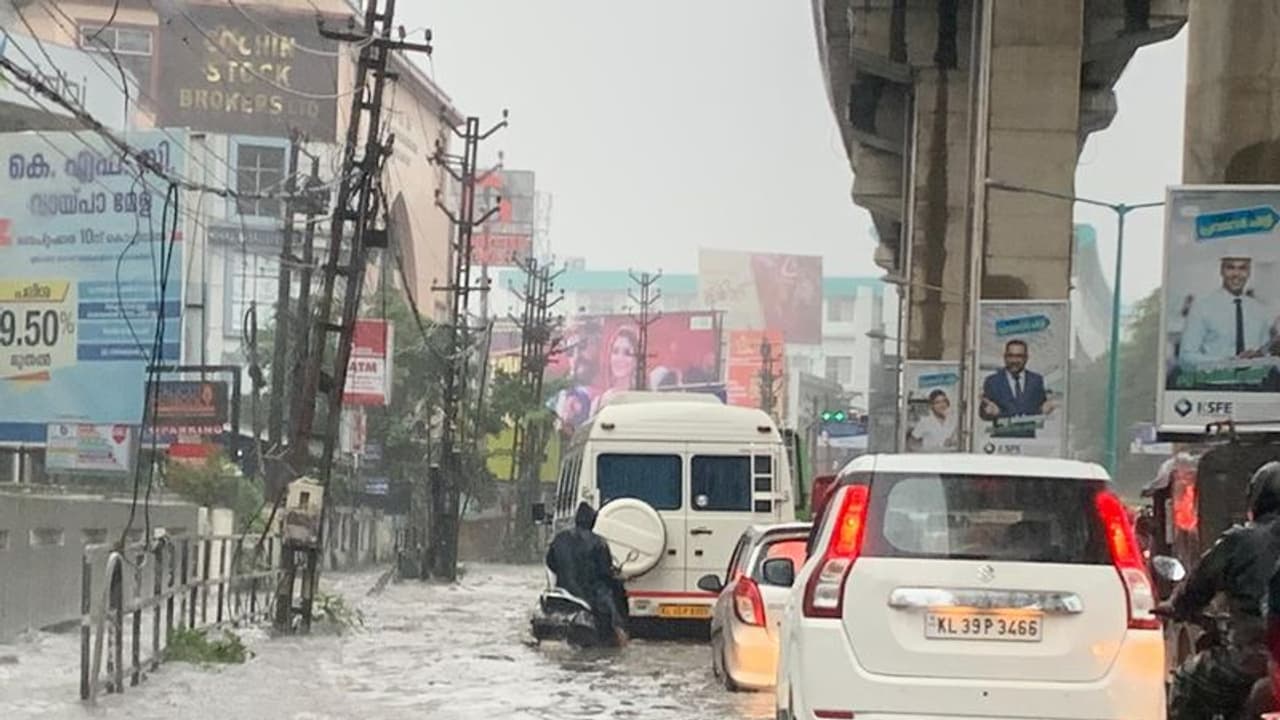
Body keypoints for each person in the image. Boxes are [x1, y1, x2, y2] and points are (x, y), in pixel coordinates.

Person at [1161, 461, 1280, 720]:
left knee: (1186, 681)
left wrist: (1177, 606)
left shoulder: (1240, 541)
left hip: (1251, 659)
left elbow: (1197, 587)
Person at [545, 502, 628, 646]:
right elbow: (605, 573)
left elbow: (550, 563)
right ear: (592, 521)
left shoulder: (559, 538)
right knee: (611, 608)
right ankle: (618, 636)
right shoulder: (599, 542)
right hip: (590, 595)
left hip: (563, 591)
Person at [1179, 256, 1275, 367]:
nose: (1236, 274)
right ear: (1222, 271)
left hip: (1255, 381)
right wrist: (1227, 362)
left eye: (1242, 268)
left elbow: (1265, 354)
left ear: (1249, 272)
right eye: (1230, 267)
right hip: (1215, 381)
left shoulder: (1259, 310)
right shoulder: (1202, 308)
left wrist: (1264, 354)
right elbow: (1186, 357)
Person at [979, 339, 1054, 421]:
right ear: (1005, 357)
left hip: (1027, 433)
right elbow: (984, 414)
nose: (1014, 360)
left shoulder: (1036, 381)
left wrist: (1044, 410)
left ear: (1026, 358)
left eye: (1019, 356)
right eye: (1010, 356)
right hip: (1001, 433)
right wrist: (988, 413)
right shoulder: (992, 382)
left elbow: (1040, 408)